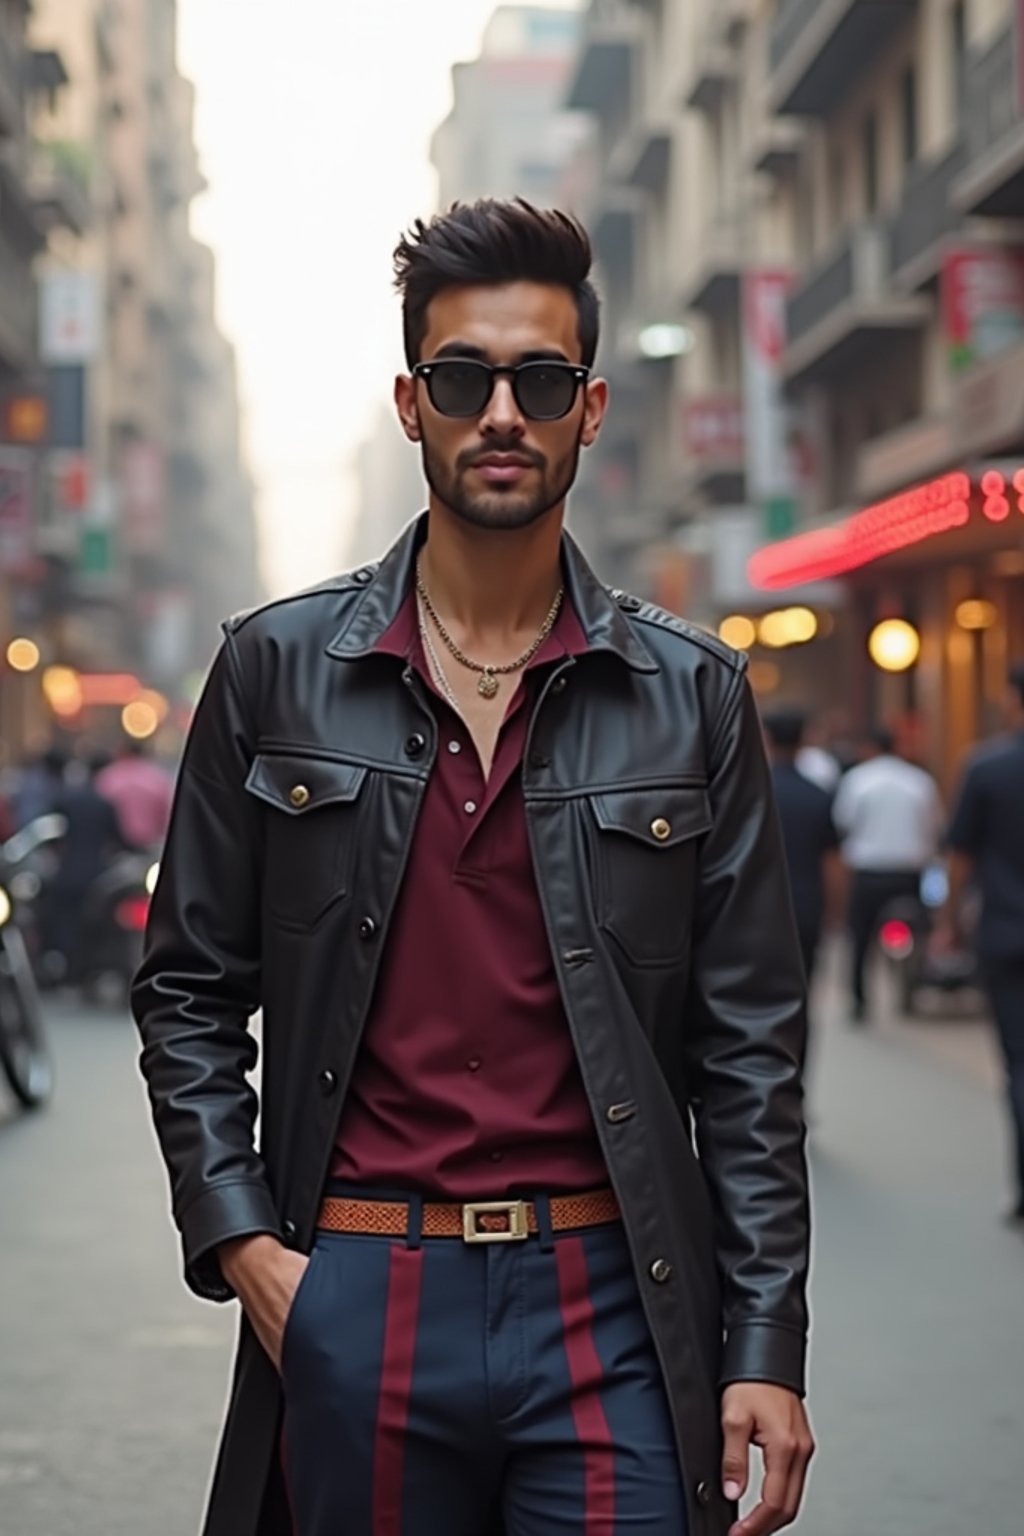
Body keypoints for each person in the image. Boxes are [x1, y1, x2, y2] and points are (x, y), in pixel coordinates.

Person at [132, 199, 813, 1536]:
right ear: (410, 402)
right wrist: (250, 1252)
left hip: (612, 1298)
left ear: (591, 407)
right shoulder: (273, 669)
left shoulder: (693, 695)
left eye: (539, 380)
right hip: (361, 1294)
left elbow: (751, 1053)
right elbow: (190, 991)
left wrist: (765, 1348)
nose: (501, 411)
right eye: (463, 378)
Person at [940, 664, 1024, 1228]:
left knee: (1019, 1064)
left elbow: (960, 856)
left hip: (1007, 932)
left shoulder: (987, 767)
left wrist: (949, 922)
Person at [832, 726, 943, 1022]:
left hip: (869, 871)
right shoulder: (919, 781)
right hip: (910, 871)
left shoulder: (857, 780)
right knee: (918, 931)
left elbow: (843, 822)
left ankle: (859, 998)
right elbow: (934, 825)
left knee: (861, 936)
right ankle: (911, 991)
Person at [762, 709, 844, 1013]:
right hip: (807, 906)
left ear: (766, 739)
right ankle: (799, 1057)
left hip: (757, 908)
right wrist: (836, 912)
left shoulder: (753, 793)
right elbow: (832, 862)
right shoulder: (817, 796)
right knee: (801, 994)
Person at [42, 751, 127, 979]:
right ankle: (86, 969)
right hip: (96, 874)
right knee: (92, 923)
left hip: (67, 872)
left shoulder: (65, 801)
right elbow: (119, 839)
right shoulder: (104, 804)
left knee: (63, 922)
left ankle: (66, 968)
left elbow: (50, 834)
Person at [96, 737, 174, 851]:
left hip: (113, 845)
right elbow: (166, 814)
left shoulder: (107, 777)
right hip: (148, 844)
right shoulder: (157, 778)